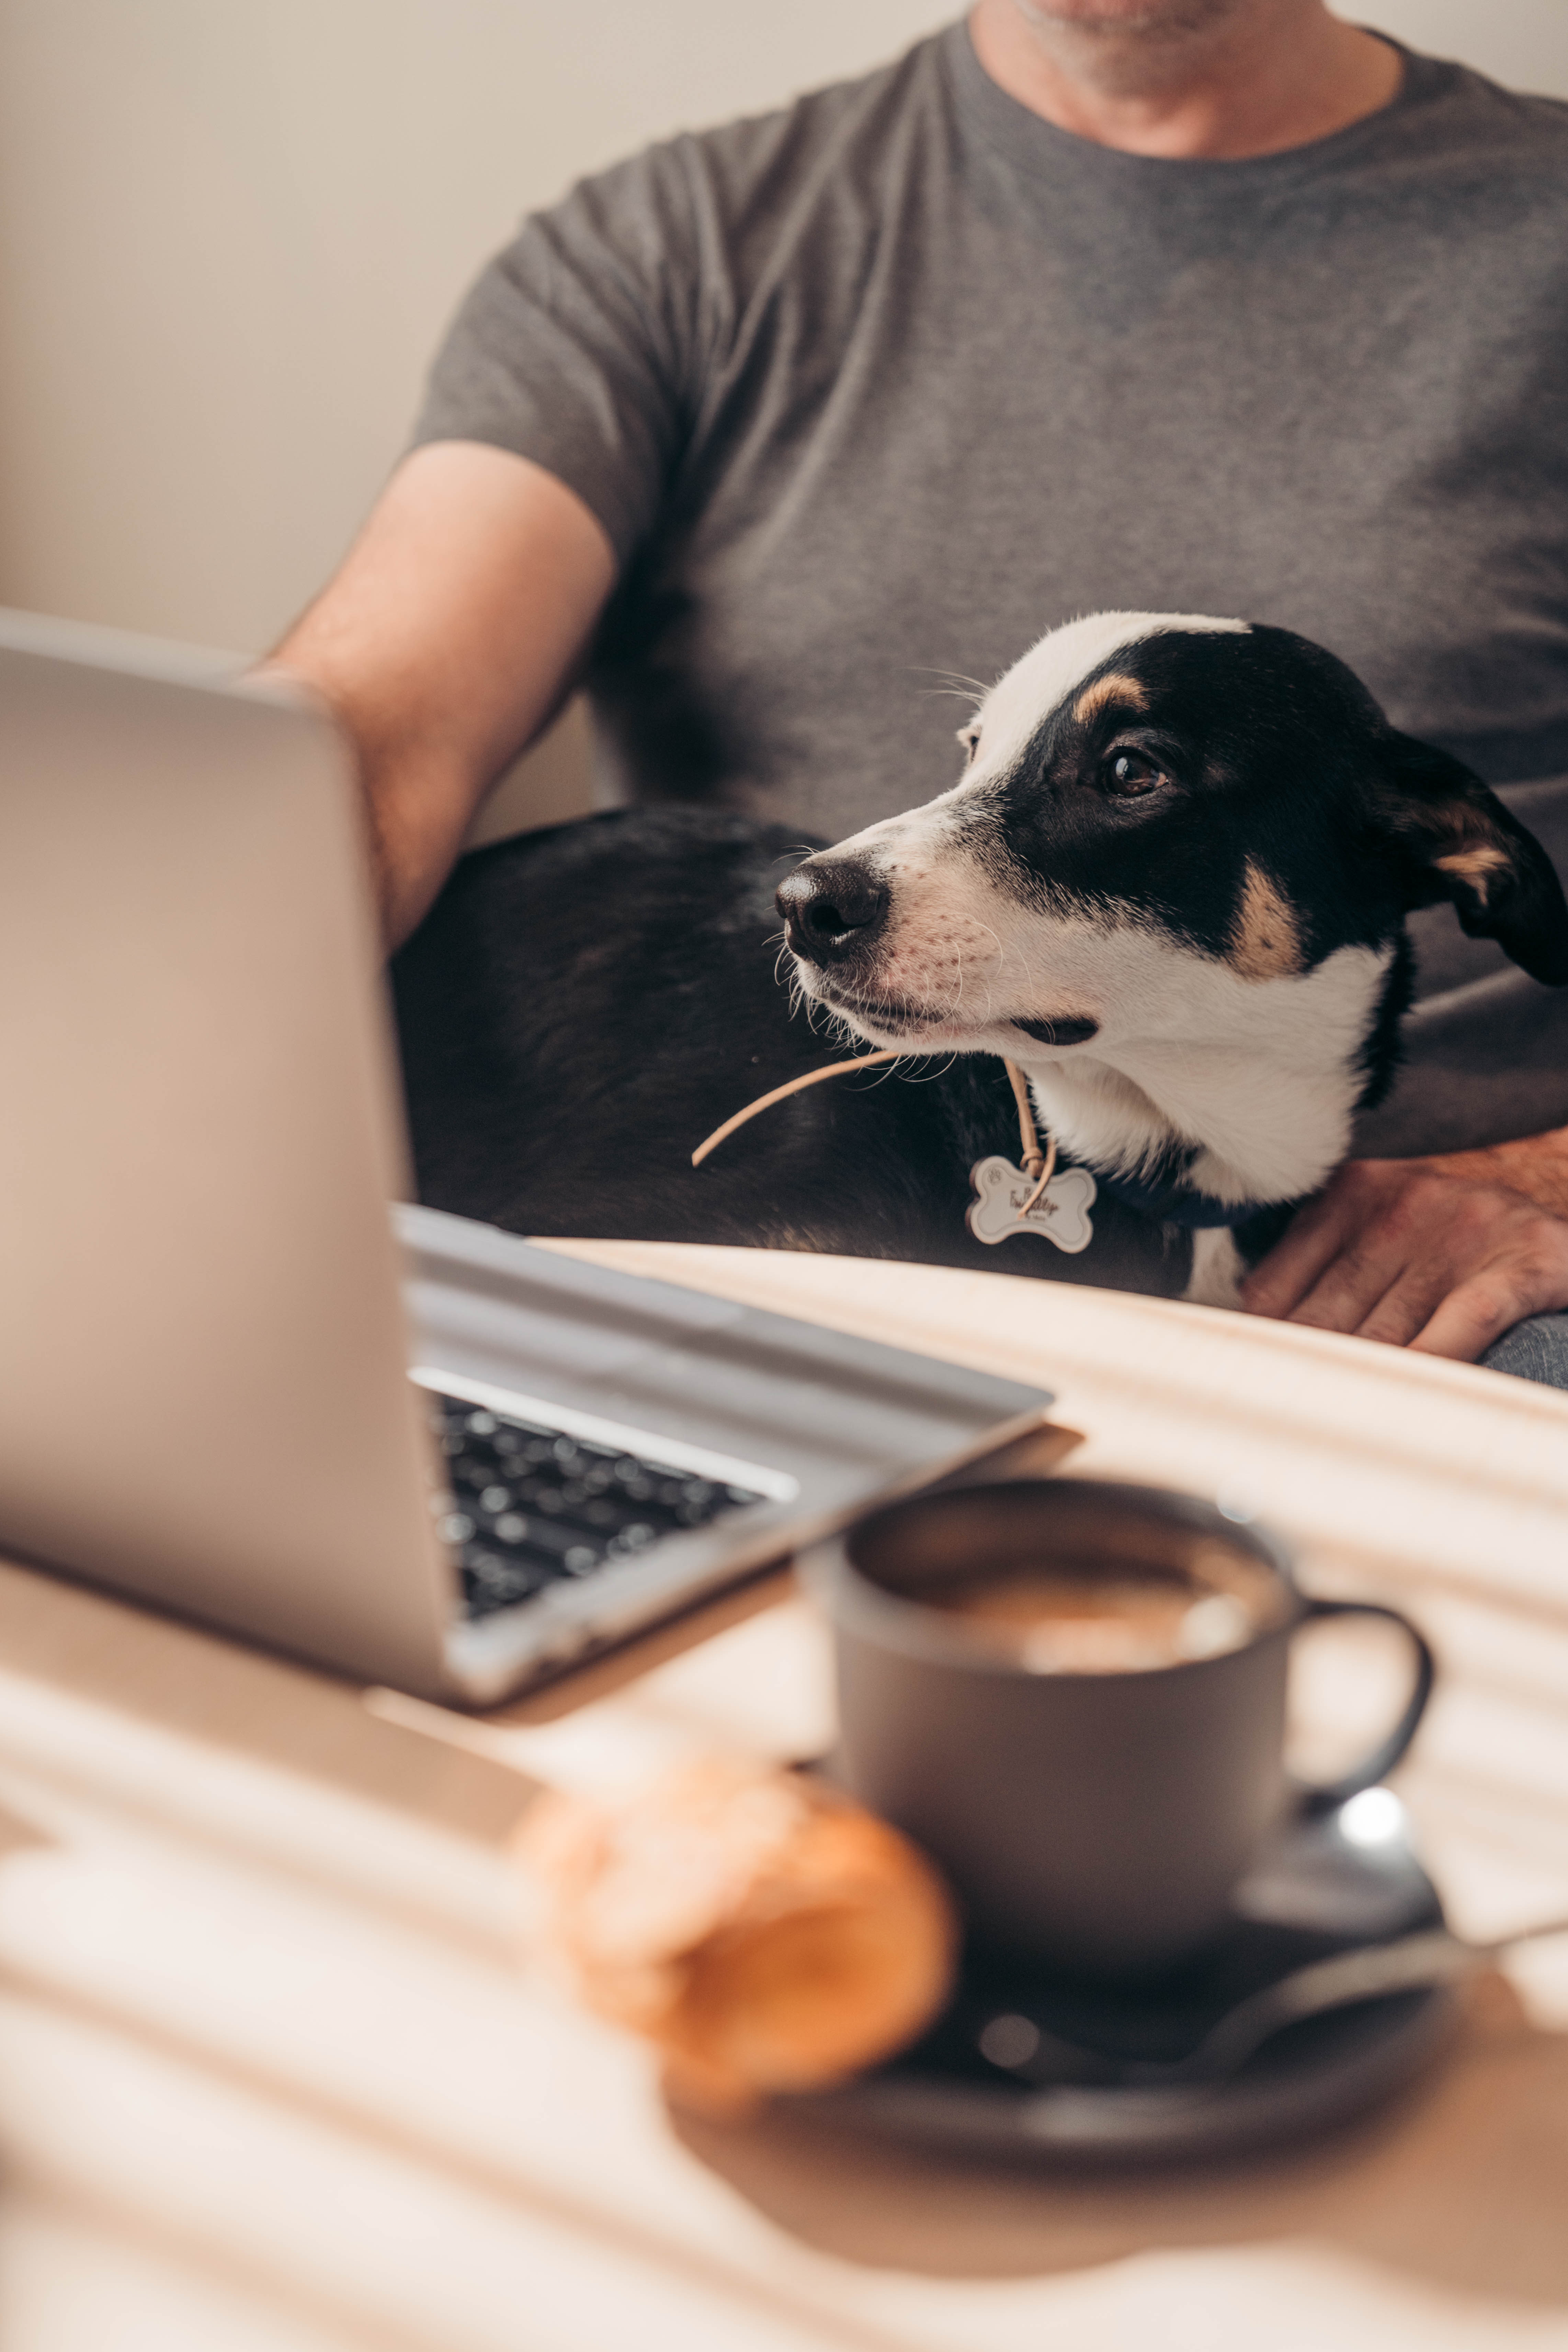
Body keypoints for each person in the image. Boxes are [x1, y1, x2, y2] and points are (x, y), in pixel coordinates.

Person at [273, 0, 1568, 1378]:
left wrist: (1543, 1182)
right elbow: (365, 745)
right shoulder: (674, 247)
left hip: (1455, 1290)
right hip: (830, 1204)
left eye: (1123, 774)